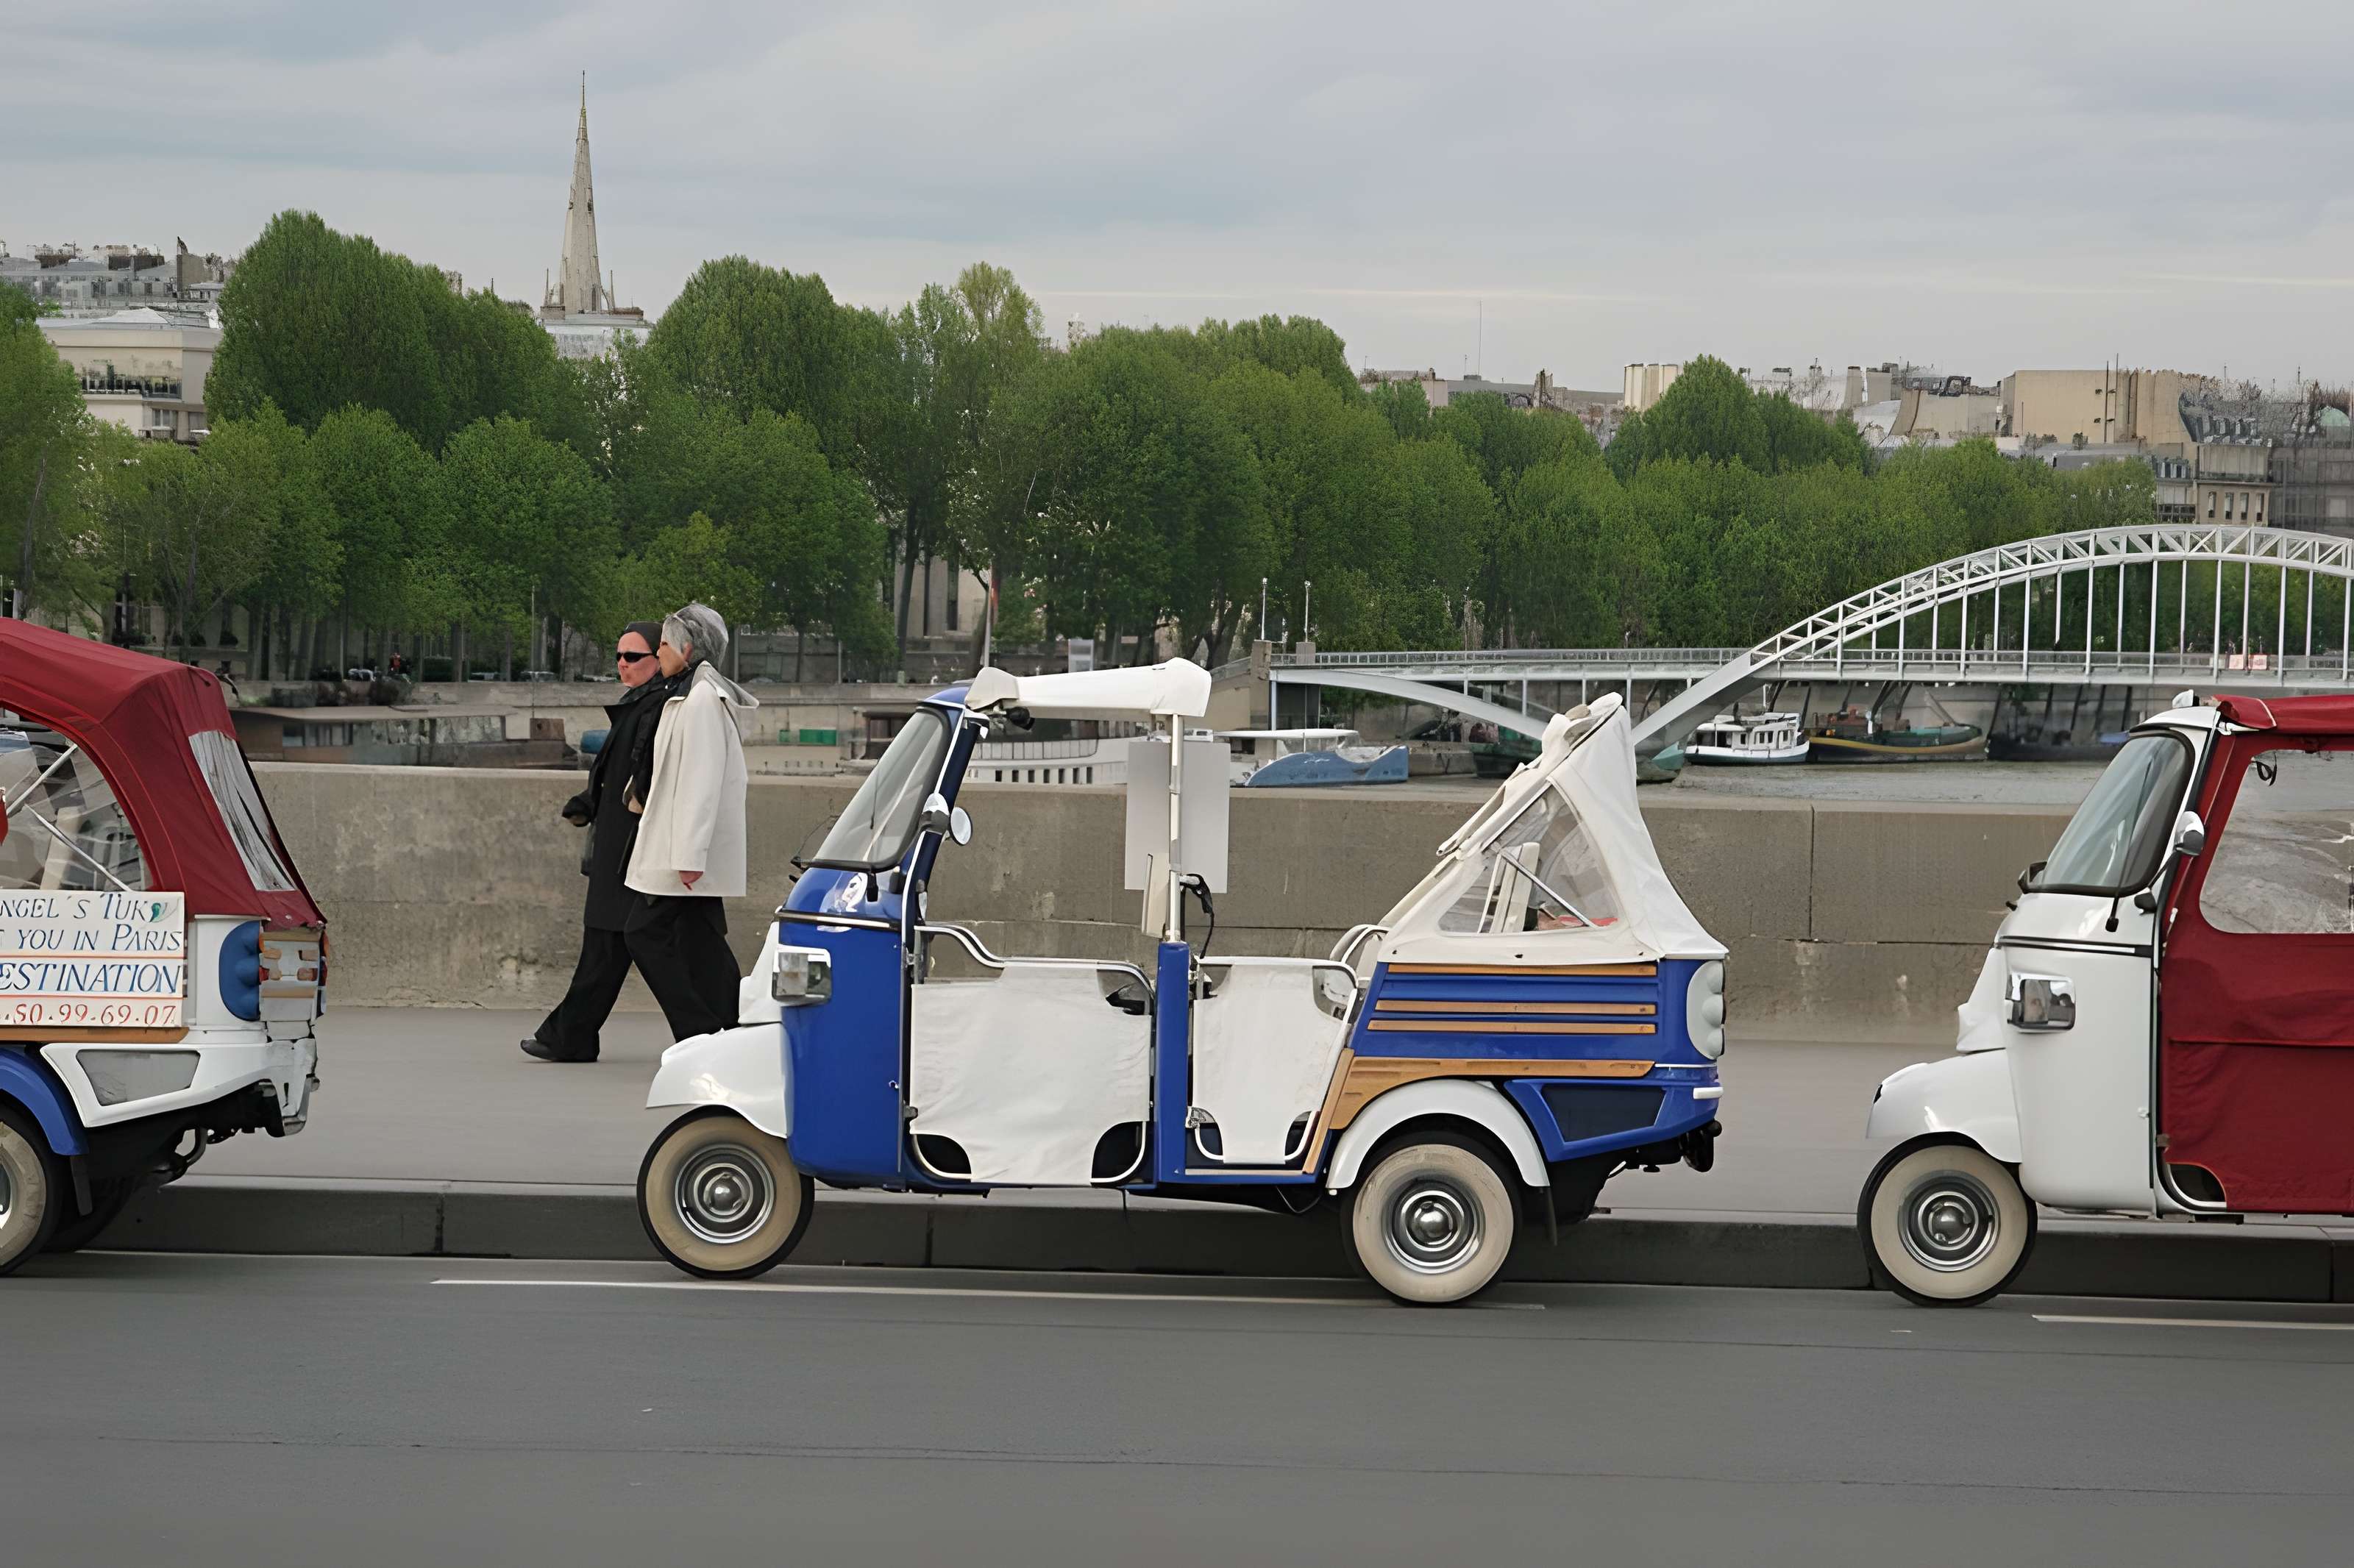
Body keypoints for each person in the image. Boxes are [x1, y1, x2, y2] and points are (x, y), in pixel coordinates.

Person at [521, 621, 668, 1063]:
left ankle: (710, 1032)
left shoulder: (656, 709)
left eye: (633, 657)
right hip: (619, 847)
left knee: (648, 952)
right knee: (609, 948)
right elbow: (616, 775)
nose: (622, 664)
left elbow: (646, 780)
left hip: (630, 849)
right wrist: (588, 802)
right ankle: (571, 1036)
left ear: (659, 659)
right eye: (619, 656)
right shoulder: (640, 705)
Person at [622, 602, 758, 1041]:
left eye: (664, 644)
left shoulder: (700, 700)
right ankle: (735, 1028)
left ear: (686, 649)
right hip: (680, 845)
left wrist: (690, 856)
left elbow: (701, 783)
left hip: (680, 850)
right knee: (702, 942)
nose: (658, 651)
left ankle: (697, 1031)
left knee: (644, 934)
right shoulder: (693, 692)